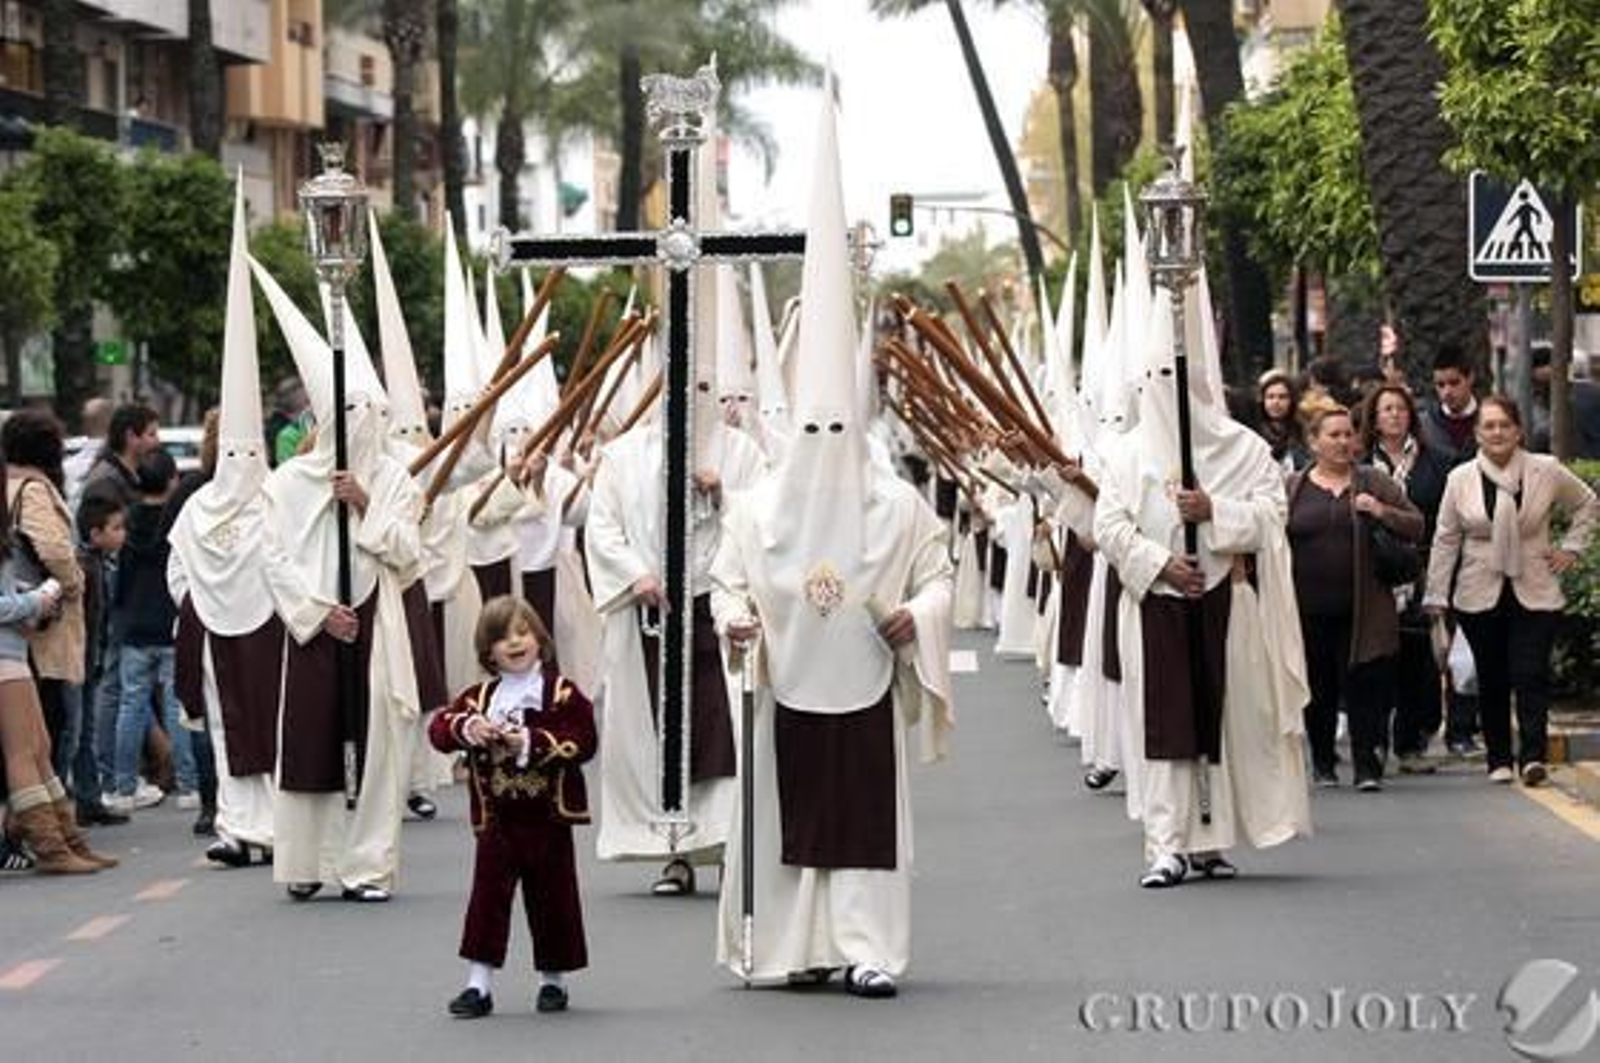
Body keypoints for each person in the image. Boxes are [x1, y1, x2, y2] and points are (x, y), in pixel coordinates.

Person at [709, 92, 954, 998]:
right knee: (788, 813)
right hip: (785, 684)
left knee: (861, 815)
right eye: (805, 424)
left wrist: (913, 620)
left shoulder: (896, 505)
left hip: (862, 683)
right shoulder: (755, 508)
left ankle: (866, 946)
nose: (817, 437)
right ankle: (793, 942)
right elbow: (728, 585)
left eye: (832, 424)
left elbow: (937, 578)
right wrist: (737, 623)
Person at [1094, 267, 1312, 890]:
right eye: (1155, 378)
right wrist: (1162, 563)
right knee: (1166, 725)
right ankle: (1166, 842)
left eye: (1175, 378)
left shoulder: (1243, 449)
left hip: (1227, 603)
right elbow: (1111, 526)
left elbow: (1274, 516)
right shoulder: (1126, 454)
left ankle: (1211, 839)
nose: (1165, 390)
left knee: (1223, 719)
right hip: (1158, 601)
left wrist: (1216, 514)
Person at [253, 256, 423, 903]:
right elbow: (273, 556)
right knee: (310, 737)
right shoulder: (289, 482)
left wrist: (365, 504)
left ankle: (367, 863)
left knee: (378, 746)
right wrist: (319, 609)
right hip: (318, 625)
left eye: (373, 412)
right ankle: (308, 858)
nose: (366, 424)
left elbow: (409, 555)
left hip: (378, 625)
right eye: (353, 411)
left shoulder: (397, 479)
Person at [429, 596, 596, 1019]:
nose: (514, 643)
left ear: (540, 638)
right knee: (487, 899)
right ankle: (478, 984)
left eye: (522, 633)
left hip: (548, 816)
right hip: (498, 818)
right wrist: (469, 728)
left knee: (553, 898)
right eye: (502, 638)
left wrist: (531, 742)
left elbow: (583, 737)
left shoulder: (561, 692)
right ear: (488, 652)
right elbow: (439, 728)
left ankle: (552, 980)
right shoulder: (480, 697)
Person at [1423, 396, 1599, 786]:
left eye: (1504, 425)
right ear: (1477, 433)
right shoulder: (1460, 478)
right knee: (1493, 676)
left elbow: (1588, 503)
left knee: (1530, 672)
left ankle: (1532, 757)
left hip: (1534, 587)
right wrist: (1436, 594)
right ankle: (1499, 759)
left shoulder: (1545, 470)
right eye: (1489, 426)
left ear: (1518, 430)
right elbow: (1446, 538)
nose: (1497, 432)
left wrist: (1572, 549)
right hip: (1477, 591)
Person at [1288, 403, 1424, 791]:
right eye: (1333, 435)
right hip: (1307, 609)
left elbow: (1416, 525)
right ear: (1313, 442)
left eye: (1348, 434)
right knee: (1317, 688)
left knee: (1366, 686)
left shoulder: (1372, 482)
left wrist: (1381, 511)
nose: (1343, 442)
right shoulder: (1293, 487)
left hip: (1365, 609)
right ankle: (1324, 762)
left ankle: (1368, 765)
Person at [0, 461, 114, 873]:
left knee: (38, 748)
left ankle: (65, 839)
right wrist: (34, 601)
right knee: (23, 753)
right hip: (6, 650)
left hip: (13, 648)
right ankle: (51, 845)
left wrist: (29, 596)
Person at [1360, 384, 1454, 773]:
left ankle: (1411, 742)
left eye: (1400, 409)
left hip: (1421, 567)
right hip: (1373, 571)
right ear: (1374, 418)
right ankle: (1374, 741)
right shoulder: (1360, 463)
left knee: (1418, 659)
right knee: (1377, 659)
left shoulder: (1436, 462)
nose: (1395, 415)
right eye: (1386, 409)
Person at [5, 412, 93, 803]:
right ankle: (41, 829)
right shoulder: (33, 489)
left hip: (23, 622)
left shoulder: (11, 484)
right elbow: (54, 548)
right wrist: (73, 583)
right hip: (41, 619)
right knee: (52, 730)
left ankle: (45, 829)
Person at [72, 493, 129, 826]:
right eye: (116, 528)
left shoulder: (99, 563)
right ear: (95, 534)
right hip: (82, 659)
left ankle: (89, 798)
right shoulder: (85, 566)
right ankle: (85, 798)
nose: (123, 534)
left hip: (91, 658)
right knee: (78, 732)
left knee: (85, 732)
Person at [1419, 344, 1479, 463]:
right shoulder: (1424, 426)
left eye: (1454, 383)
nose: (1447, 392)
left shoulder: (1490, 420)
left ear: (1470, 378)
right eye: (1440, 385)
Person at [1254, 369, 1309, 473]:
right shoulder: (1254, 433)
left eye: (1282, 397)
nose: (1276, 402)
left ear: (1291, 400)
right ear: (1263, 400)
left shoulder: (1302, 432)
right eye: (1270, 397)